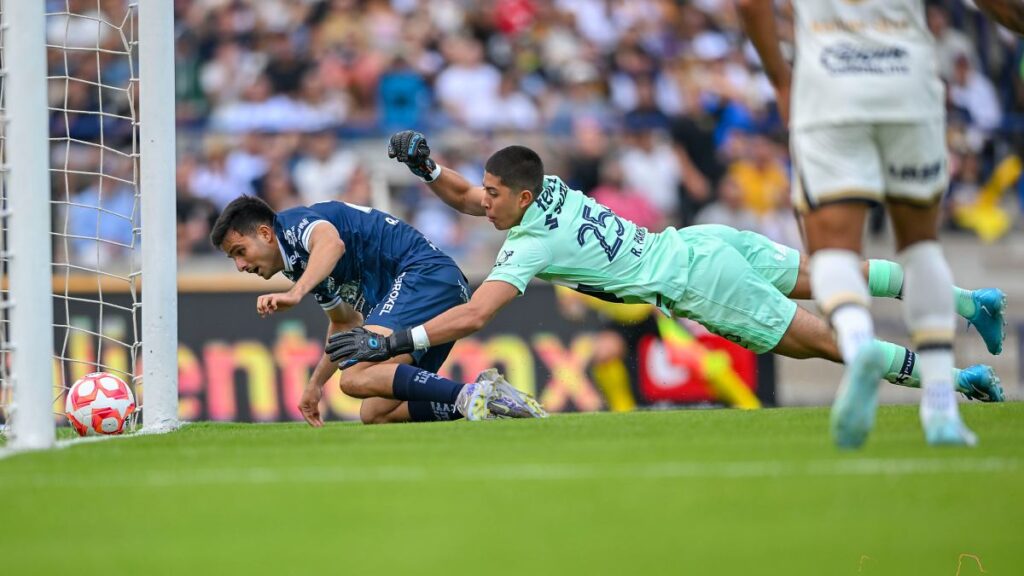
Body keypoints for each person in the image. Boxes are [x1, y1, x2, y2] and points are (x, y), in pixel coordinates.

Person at [326, 132, 1004, 416]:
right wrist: (427, 169)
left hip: (695, 281)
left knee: (824, 341)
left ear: (522, 196)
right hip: (703, 242)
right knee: (838, 274)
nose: (484, 201)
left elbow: (474, 315)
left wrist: (394, 342)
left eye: (493, 194)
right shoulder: (548, 189)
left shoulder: (527, 246)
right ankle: (973, 302)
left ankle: (947, 376)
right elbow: (474, 198)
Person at [737, 0, 1021, 448]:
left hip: (829, 84)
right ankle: (942, 410)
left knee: (832, 251)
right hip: (907, 81)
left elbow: (750, 4)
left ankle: (855, 338)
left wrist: (780, 78)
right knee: (922, 246)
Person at [209, 195, 546, 425]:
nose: (240, 265)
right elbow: (344, 324)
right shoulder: (299, 266)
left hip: (421, 276)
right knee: (376, 411)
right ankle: (493, 402)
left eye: (240, 251)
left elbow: (331, 242)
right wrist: (315, 384)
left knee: (354, 378)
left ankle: (471, 395)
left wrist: (295, 293)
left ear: (266, 233)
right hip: (437, 288)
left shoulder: (294, 225)